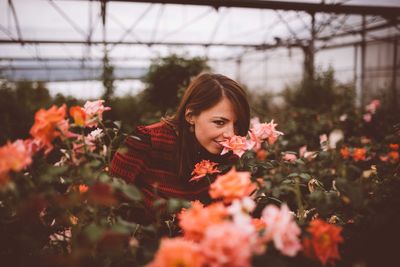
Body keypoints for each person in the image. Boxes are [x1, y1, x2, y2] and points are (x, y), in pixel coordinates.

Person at [110, 73, 250, 222]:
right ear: (190, 116)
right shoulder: (146, 142)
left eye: (236, 124)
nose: (231, 134)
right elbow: (108, 205)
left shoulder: (229, 155)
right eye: (220, 122)